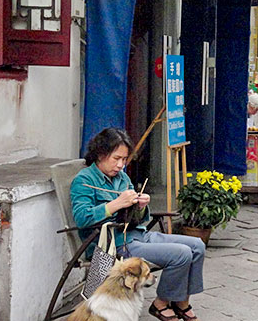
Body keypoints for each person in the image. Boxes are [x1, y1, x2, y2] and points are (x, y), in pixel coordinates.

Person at [71, 128, 205, 321]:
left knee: (197, 246)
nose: (120, 165)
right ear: (100, 154)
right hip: (114, 244)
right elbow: (82, 218)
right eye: (116, 158)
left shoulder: (122, 178)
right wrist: (116, 204)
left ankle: (181, 301)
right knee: (181, 254)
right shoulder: (84, 181)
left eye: (124, 160)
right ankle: (161, 303)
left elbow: (139, 218)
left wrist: (141, 205)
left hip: (138, 234)